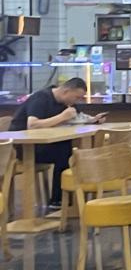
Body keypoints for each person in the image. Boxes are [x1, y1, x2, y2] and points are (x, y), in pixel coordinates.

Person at [11, 76, 103, 207]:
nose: (77, 101)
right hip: (23, 148)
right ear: (66, 91)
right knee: (65, 152)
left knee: (71, 149)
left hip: (45, 143)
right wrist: (62, 117)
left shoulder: (66, 103)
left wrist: (93, 120)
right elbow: (32, 125)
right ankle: (58, 200)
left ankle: (70, 198)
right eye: (76, 97)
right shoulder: (41, 98)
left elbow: (77, 117)